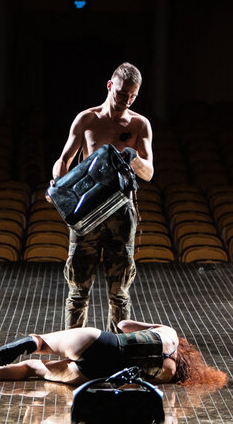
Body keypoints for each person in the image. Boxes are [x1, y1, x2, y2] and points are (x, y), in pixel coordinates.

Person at [47, 62, 154, 333]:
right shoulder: (88, 119)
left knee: (119, 294)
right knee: (78, 291)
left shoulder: (140, 124)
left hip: (121, 210)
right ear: (110, 86)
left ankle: (117, 351)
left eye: (132, 96)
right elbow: (64, 159)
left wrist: (133, 157)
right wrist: (59, 186)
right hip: (88, 209)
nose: (125, 101)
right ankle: (75, 351)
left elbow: (149, 172)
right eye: (121, 94)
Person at [0, 319, 228, 387]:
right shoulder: (167, 376)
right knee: (35, 369)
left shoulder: (168, 333)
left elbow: (123, 325)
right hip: (96, 374)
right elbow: (132, 382)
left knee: (45, 343)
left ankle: (32, 341)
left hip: (101, 342)